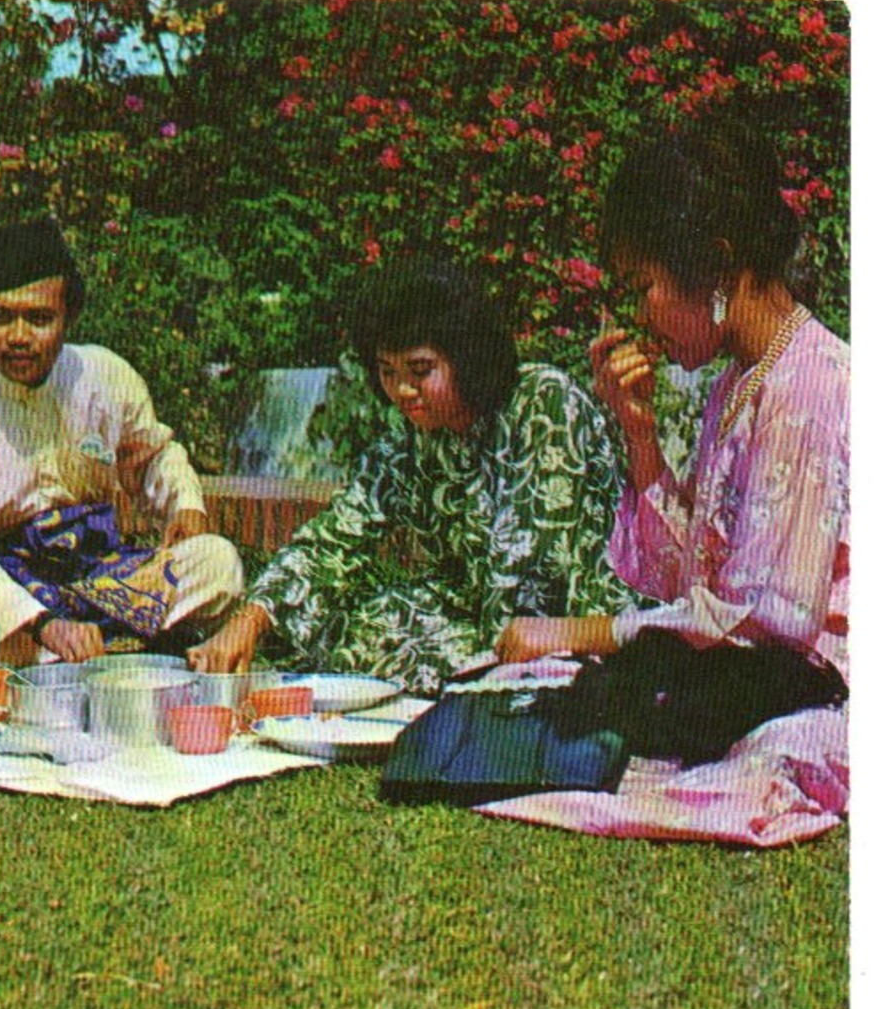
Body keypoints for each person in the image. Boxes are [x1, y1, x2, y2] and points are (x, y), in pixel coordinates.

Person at [494, 119, 848, 683]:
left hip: (817, 697)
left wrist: (581, 629)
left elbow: (763, 619)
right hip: (744, 683)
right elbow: (693, 579)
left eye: (642, 288)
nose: (639, 317)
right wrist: (639, 433)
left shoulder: (807, 386)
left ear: (713, 266)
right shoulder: (739, 381)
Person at [188, 257, 637, 695]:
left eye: (420, 371)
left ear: (465, 357)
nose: (402, 390)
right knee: (349, 622)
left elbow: (533, 577)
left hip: (571, 623)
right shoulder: (412, 439)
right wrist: (249, 620)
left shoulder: (543, 404)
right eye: (387, 372)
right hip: (477, 620)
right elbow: (334, 537)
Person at [0, 218, 244, 666]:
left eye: (39, 319)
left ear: (69, 316)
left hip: (99, 578)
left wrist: (185, 506)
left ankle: (75, 653)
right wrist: (43, 624)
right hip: (3, 589)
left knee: (217, 561)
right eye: (0, 317)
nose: (18, 337)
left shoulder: (104, 376)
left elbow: (156, 454)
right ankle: (96, 650)